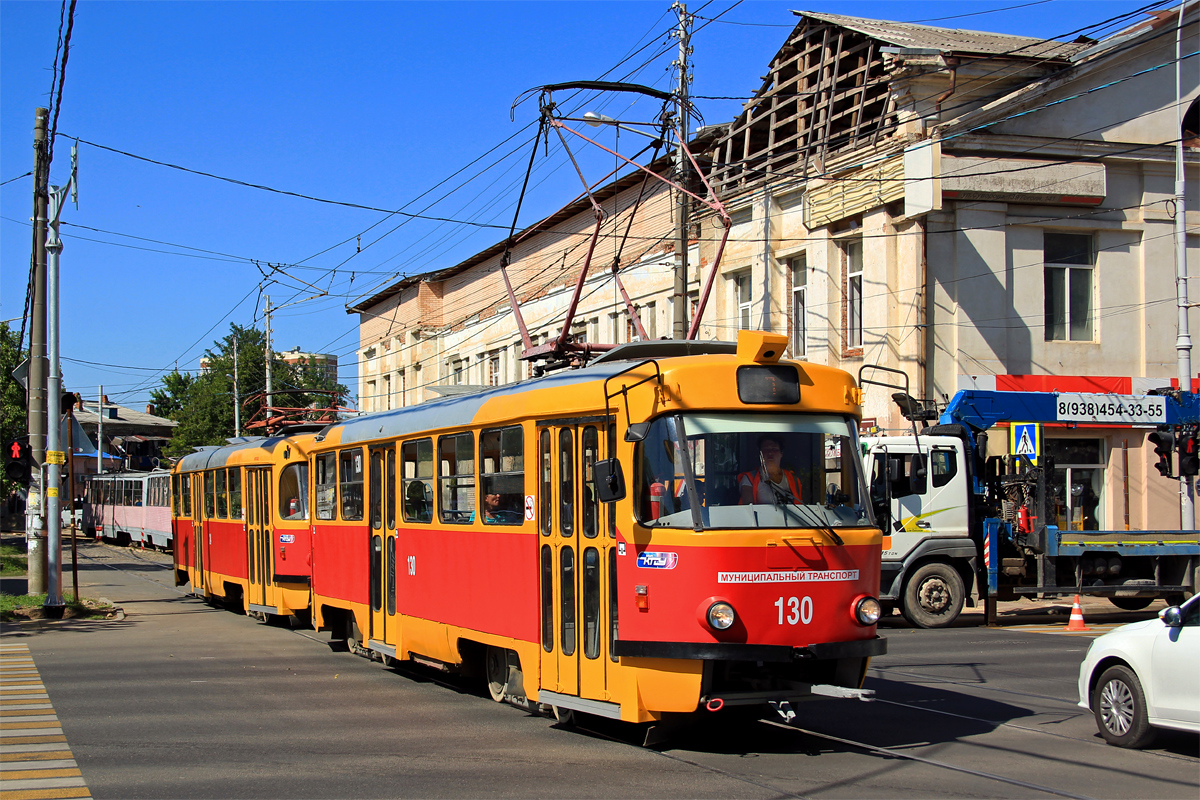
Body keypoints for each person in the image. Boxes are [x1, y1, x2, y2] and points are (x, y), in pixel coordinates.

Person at [739, 434, 802, 504]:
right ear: (760, 454)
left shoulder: (793, 479)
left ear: (781, 453)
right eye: (765, 449)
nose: (770, 453)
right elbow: (748, 511)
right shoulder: (749, 479)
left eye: (774, 449)